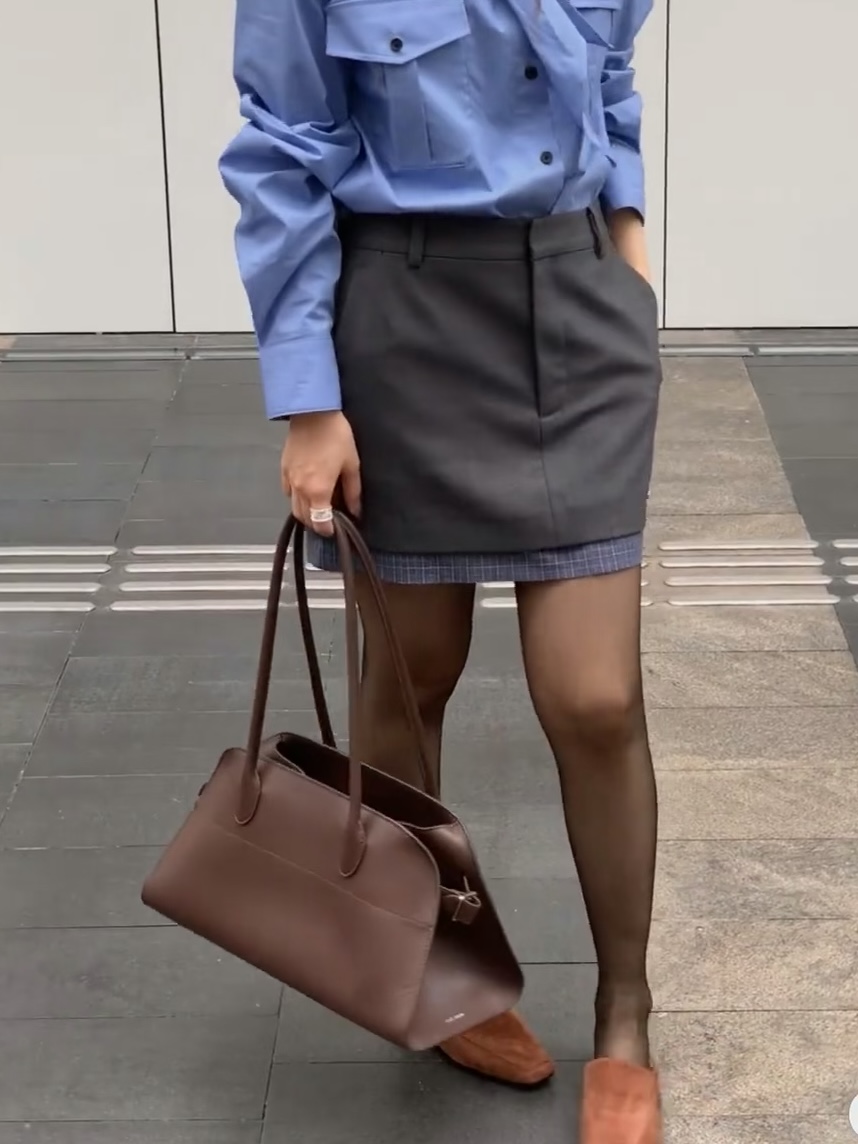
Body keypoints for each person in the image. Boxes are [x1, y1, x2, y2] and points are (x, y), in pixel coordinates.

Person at [220, 0, 662, 1139]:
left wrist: (629, 250)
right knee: (411, 673)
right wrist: (309, 399)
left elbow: (611, 76)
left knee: (595, 695)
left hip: (578, 309)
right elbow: (281, 147)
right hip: (402, 319)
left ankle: (625, 1013)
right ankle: (430, 966)